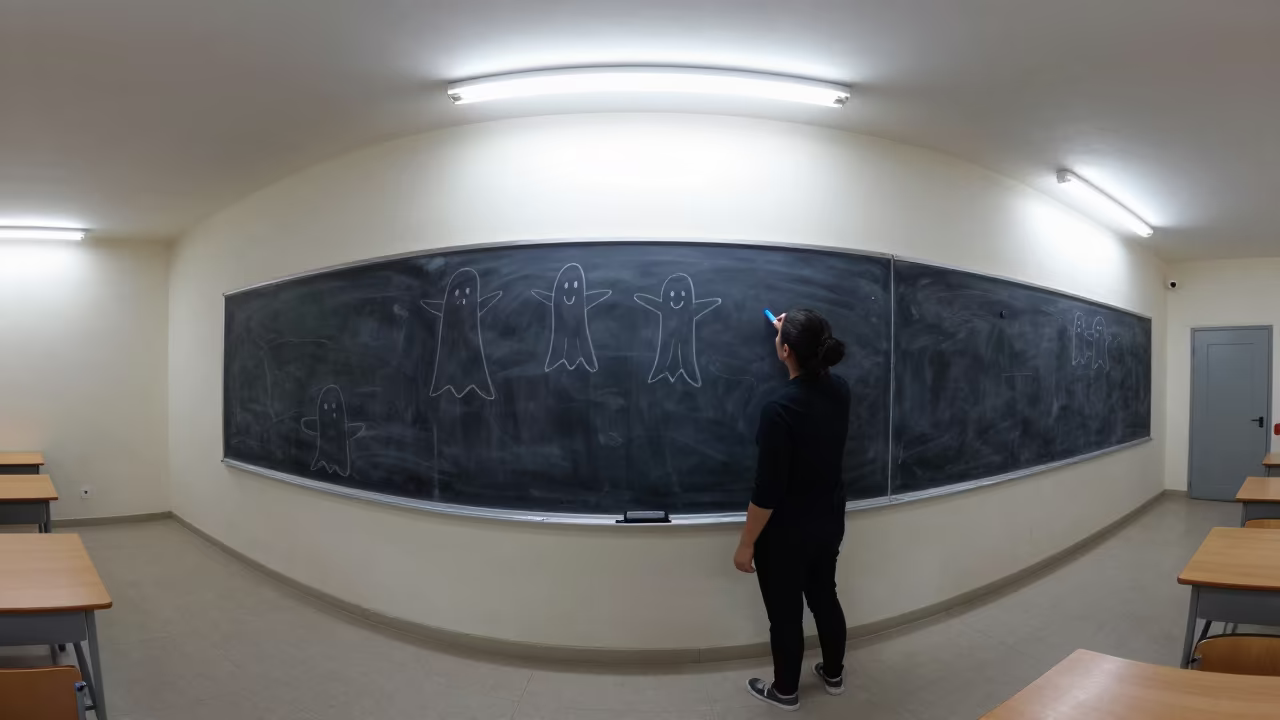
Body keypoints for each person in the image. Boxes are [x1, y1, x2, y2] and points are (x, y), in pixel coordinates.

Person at [734, 309, 851, 712]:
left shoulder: (778, 410)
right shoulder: (842, 392)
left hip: (785, 534)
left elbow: (767, 492)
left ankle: (785, 692)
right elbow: (815, 365)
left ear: (784, 351)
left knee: (785, 616)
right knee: (825, 597)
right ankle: (834, 674)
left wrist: (746, 544)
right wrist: (796, 328)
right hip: (828, 522)